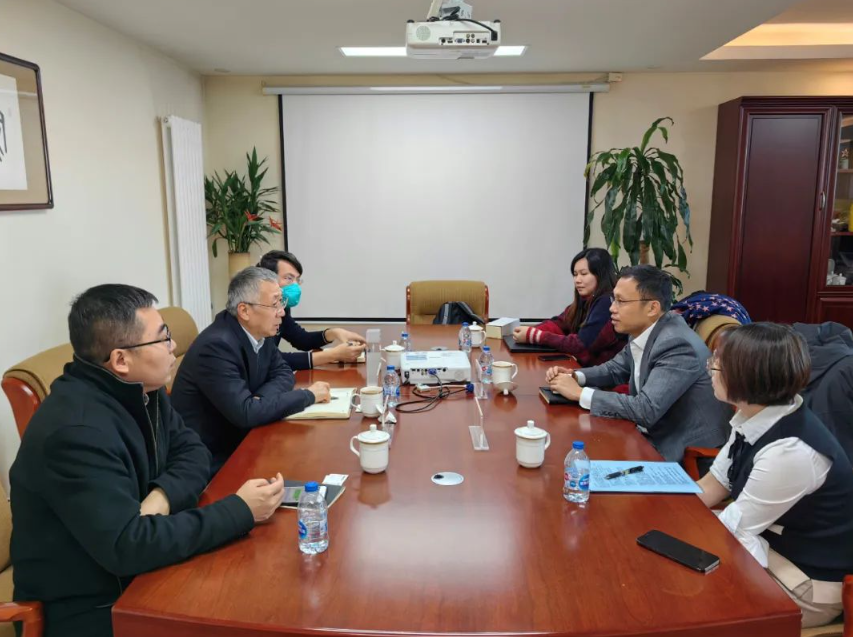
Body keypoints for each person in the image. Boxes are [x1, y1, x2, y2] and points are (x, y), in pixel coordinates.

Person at [10, 284, 286, 637]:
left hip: (139, 570)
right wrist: (241, 510)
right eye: (163, 338)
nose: (174, 346)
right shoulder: (74, 432)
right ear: (121, 360)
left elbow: (194, 452)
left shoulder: (141, 390)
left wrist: (161, 497)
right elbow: (127, 546)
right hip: (91, 608)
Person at [698, 323, 853, 628]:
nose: (710, 370)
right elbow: (713, 485)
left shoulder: (790, 450)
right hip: (767, 546)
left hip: (806, 583)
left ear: (748, 377)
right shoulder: (755, 415)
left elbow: (731, 531)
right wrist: (665, 513)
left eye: (717, 364)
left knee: (690, 604)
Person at [545, 265, 730, 462]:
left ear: (652, 308)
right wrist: (575, 376)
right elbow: (615, 369)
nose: (612, 308)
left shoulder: (676, 344)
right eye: (614, 300)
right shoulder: (644, 328)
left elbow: (645, 409)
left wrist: (579, 393)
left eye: (621, 301)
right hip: (651, 436)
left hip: (687, 456)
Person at [171, 267, 331, 473]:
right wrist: (308, 395)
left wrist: (259, 400)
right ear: (244, 310)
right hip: (213, 457)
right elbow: (246, 414)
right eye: (275, 304)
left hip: (246, 436)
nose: (282, 312)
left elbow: (283, 372)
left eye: (281, 302)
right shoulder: (216, 346)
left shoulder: (259, 332)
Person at [512, 247, 627, 365]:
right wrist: (530, 331)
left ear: (600, 275)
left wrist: (534, 336)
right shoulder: (585, 300)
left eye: (584, 274)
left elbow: (581, 345)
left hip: (599, 374)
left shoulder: (606, 302)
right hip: (581, 369)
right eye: (575, 274)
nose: (577, 280)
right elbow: (559, 324)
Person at [258, 250, 365, 369]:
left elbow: (301, 339)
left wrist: (334, 332)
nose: (295, 286)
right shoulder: (256, 311)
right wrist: (332, 355)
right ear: (267, 280)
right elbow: (270, 360)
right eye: (289, 278)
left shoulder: (282, 308)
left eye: (297, 280)